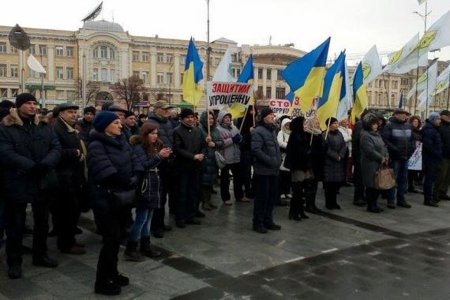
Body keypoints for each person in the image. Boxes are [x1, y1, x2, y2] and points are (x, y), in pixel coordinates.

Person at [0, 93, 61, 279]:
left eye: (35, 103)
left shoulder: (43, 125)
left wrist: (45, 164)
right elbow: (5, 152)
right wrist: (31, 166)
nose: (33, 106)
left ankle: (40, 254)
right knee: (15, 225)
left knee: (42, 222)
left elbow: (56, 147)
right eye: (28, 103)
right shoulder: (6, 127)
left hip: (42, 180)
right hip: (17, 180)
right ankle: (14, 262)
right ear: (18, 106)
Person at [87, 111, 140, 295]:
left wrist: (135, 176)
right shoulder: (96, 144)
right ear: (105, 126)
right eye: (116, 122)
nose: (121, 125)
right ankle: (101, 281)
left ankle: (113, 272)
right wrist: (126, 181)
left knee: (117, 238)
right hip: (106, 199)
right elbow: (104, 171)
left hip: (122, 198)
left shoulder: (121, 141)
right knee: (110, 239)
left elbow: (135, 160)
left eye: (120, 122)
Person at [124, 122, 171, 261]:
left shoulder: (155, 146)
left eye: (156, 133)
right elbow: (142, 166)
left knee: (149, 217)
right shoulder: (138, 147)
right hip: (144, 185)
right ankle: (131, 248)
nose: (155, 136)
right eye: (152, 133)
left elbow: (154, 164)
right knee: (141, 218)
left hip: (153, 184)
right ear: (145, 134)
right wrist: (159, 157)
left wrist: (164, 156)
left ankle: (146, 246)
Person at [52, 103, 87, 255]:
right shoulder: (57, 129)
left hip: (74, 176)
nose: (74, 114)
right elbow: (54, 151)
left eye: (75, 112)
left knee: (72, 212)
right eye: (70, 112)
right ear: (61, 114)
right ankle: (66, 244)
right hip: (65, 178)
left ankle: (69, 239)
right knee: (66, 213)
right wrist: (74, 152)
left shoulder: (72, 128)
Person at [173, 108, 206, 228]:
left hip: (196, 167)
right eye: (187, 117)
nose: (190, 119)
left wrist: (202, 154)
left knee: (193, 192)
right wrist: (193, 156)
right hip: (183, 167)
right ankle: (180, 218)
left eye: (192, 117)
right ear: (182, 118)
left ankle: (190, 216)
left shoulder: (197, 130)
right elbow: (178, 149)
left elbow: (203, 144)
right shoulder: (177, 131)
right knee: (182, 193)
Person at [147, 100, 176, 238]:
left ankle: (161, 222)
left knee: (163, 195)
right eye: (164, 109)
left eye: (168, 109)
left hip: (168, 162)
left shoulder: (168, 122)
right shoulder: (151, 123)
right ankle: (155, 226)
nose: (167, 111)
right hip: (157, 162)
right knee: (157, 196)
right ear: (156, 109)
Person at [251, 108, 282, 233]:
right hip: (263, 171)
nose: (272, 117)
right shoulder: (259, 131)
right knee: (262, 198)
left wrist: (278, 160)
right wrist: (270, 160)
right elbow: (256, 150)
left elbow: (275, 148)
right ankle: (258, 222)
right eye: (270, 115)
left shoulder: (272, 131)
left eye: (273, 115)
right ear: (264, 117)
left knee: (271, 197)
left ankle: (268, 220)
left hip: (273, 171)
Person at [382, 108, 415, 208]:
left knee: (403, 179)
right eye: (401, 114)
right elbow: (385, 140)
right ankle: (391, 199)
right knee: (393, 178)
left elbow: (412, 140)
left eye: (405, 114)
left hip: (406, 156)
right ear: (395, 115)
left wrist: (411, 150)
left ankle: (401, 199)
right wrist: (394, 149)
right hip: (395, 156)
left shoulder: (408, 126)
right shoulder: (389, 126)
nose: (404, 116)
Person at [285, 116, 312, 221]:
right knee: (297, 190)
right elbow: (294, 152)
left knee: (302, 190)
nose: (305, 125)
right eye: (303, 123)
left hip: (304, 166)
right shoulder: (295, 135)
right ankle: (294, 212)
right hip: (298, 166)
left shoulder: (302, 134)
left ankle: (300, 210)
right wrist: (305, 152)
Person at [360, 113, 389, 213]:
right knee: (371, 186)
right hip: (370, 164)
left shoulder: (377, 134)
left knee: (377, 185)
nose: (376, 125)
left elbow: (383, 146)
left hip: (380, 163)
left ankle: (375, 204)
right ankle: (370, 205)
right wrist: (381, 158)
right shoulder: (365, 135)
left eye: (376, 124)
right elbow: (369, 150)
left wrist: (386, 156)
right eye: (373, 124)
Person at [217, 111, 245, 205]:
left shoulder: (234, 128)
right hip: (225, 157)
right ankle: (226, 198)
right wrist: (232, 140)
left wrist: (240, 139)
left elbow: (239, 138)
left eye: (229, 117)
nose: (228, 119)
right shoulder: (218, 129)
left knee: (238, 178)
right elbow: (220, 144)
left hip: (236, 156)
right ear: (221, 119)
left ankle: (239, 195)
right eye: (225, 117)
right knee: (225, 179)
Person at [198, 111, 224, 211]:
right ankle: (204, 202)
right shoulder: (199, 129)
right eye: (209, 118)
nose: (211, 120)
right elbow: (196, 143)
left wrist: (215, 144)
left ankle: (208, 201)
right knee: (204, 182)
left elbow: (221, 142)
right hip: (205, 159)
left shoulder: (216, 130)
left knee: (210, 182)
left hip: (213, 159)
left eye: (212, 118)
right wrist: (205, 141)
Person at [323, 117, 347, 210]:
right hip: (329, 162)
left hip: (338, 162)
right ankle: (328, 203)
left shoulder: (339, 133)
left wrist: (341, 155)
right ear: (329, 125)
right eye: (335, 123)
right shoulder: (325, 134)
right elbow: (326, 148)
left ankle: (334, 202)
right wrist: (335, 156)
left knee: (335, 184)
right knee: (329, 184)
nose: (337, 125)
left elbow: (343, 145)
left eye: (337, 123)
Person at [421, 112, 442, 207]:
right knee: (429, 179)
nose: (439, 121)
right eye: (438, 119)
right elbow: (428, 145)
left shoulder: (433, 129)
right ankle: (428, 199)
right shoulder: (429, 130)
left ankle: (429, 197)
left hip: (433, 157)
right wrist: (437, 153)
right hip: (430, 158)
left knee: (431, 178)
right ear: (433, 120)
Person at [236, 105, 255, 200]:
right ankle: (247, 190)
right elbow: (241, 137)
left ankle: (251, 189)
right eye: (252, 110)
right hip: (245, 150)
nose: (254, 112)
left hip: (253, 150)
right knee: (246, 171)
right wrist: (249, 133)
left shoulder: (255, 122)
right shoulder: (242, 121)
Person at [434, 110, 450, 201]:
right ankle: (436, 193)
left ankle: (443, 192)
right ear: (443, 116)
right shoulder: (439, 126)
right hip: (443, 155)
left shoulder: (448, 126)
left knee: (448, 176)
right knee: (441, 176)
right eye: (448, 116)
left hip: (449, 155)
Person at [277, 117, 292, 201]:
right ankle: (281, 191)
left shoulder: (292, 133)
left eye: (289, 125)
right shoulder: (281, 132)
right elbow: (280, 142)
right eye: (287, 125)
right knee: (282, 175)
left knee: (289, 176)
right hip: (283, 156)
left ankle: (287, 191)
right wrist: (289, 146)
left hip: (290, 157)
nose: (288, 126)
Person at [407, 116, 422, 193]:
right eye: (414, 121)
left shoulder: (418, 131)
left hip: (417, 153)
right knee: (409, 171)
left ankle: (411, 186)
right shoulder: (409, 130)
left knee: (414, 171)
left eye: (417, 122)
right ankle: (408, 186)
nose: (416, 123)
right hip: (411, 152)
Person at [338, 118, 352, 185]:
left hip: (348, 149)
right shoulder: (339, 130)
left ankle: (344, 180)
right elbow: (342, 140)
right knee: (342, 166)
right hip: (342, 150)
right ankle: (340, 180)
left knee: (346, 166)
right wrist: (350, 138)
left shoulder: (348, 130)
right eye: (344, 122)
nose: (346, 123)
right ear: (341, 123)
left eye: (347, 121)